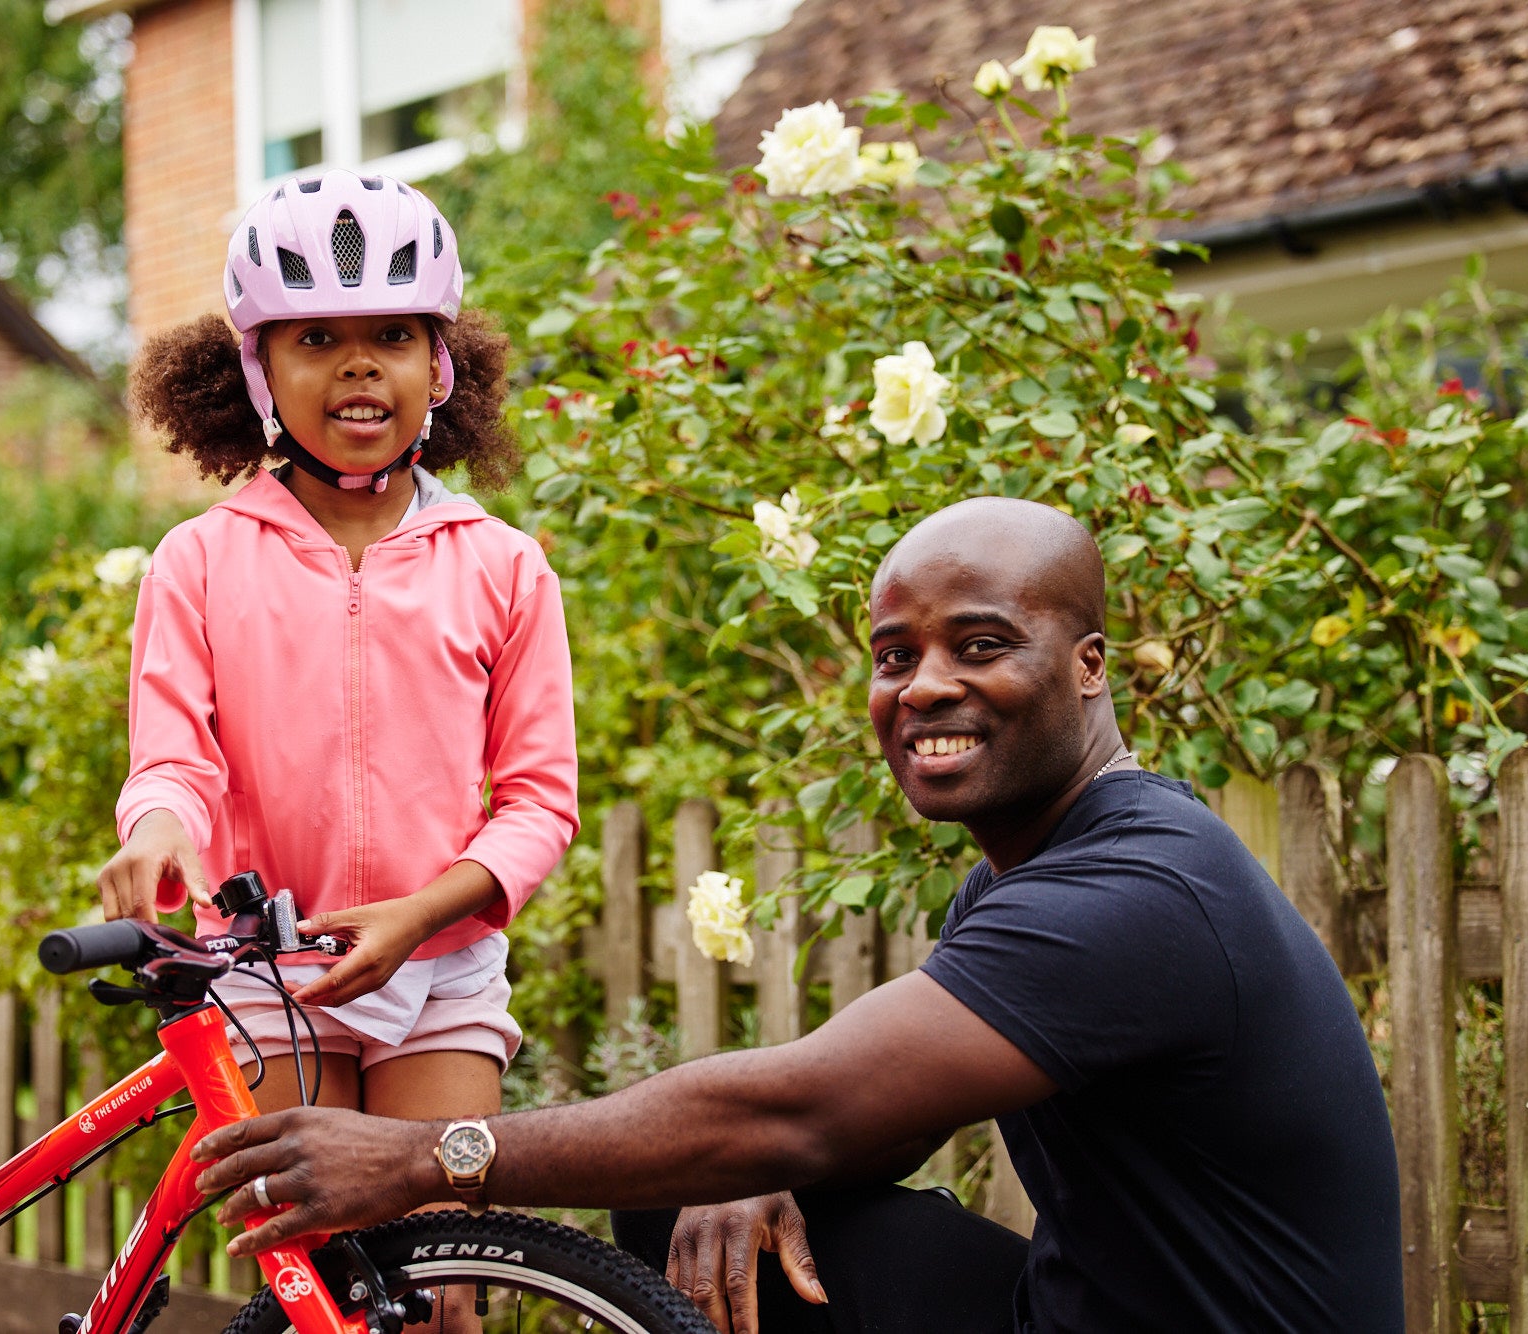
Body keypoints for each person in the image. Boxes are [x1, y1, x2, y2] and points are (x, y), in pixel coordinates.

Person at [188, 497, 1406, 1334]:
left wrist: (422, 1157)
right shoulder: (1026, 876)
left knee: (731, 1152)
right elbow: (863, 1127)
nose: (922, 684)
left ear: (1088, 665)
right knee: (690, 1200)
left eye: (979, 643)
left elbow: (807, 1102)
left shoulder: (1138, 894)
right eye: (892, 654)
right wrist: (759, 1167)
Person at [97, 172, 578, 1199]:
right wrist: (157, 831)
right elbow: (172, 758)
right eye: (314, 338)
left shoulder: (503, 565)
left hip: (437, 964)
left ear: (440, 365)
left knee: (445, 1285)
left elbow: (538, 800)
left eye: (393, 334)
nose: (359, 360)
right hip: (261, 970)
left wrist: (418, 912)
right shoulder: (196, 561)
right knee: (311, 1276)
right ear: (255, 368)